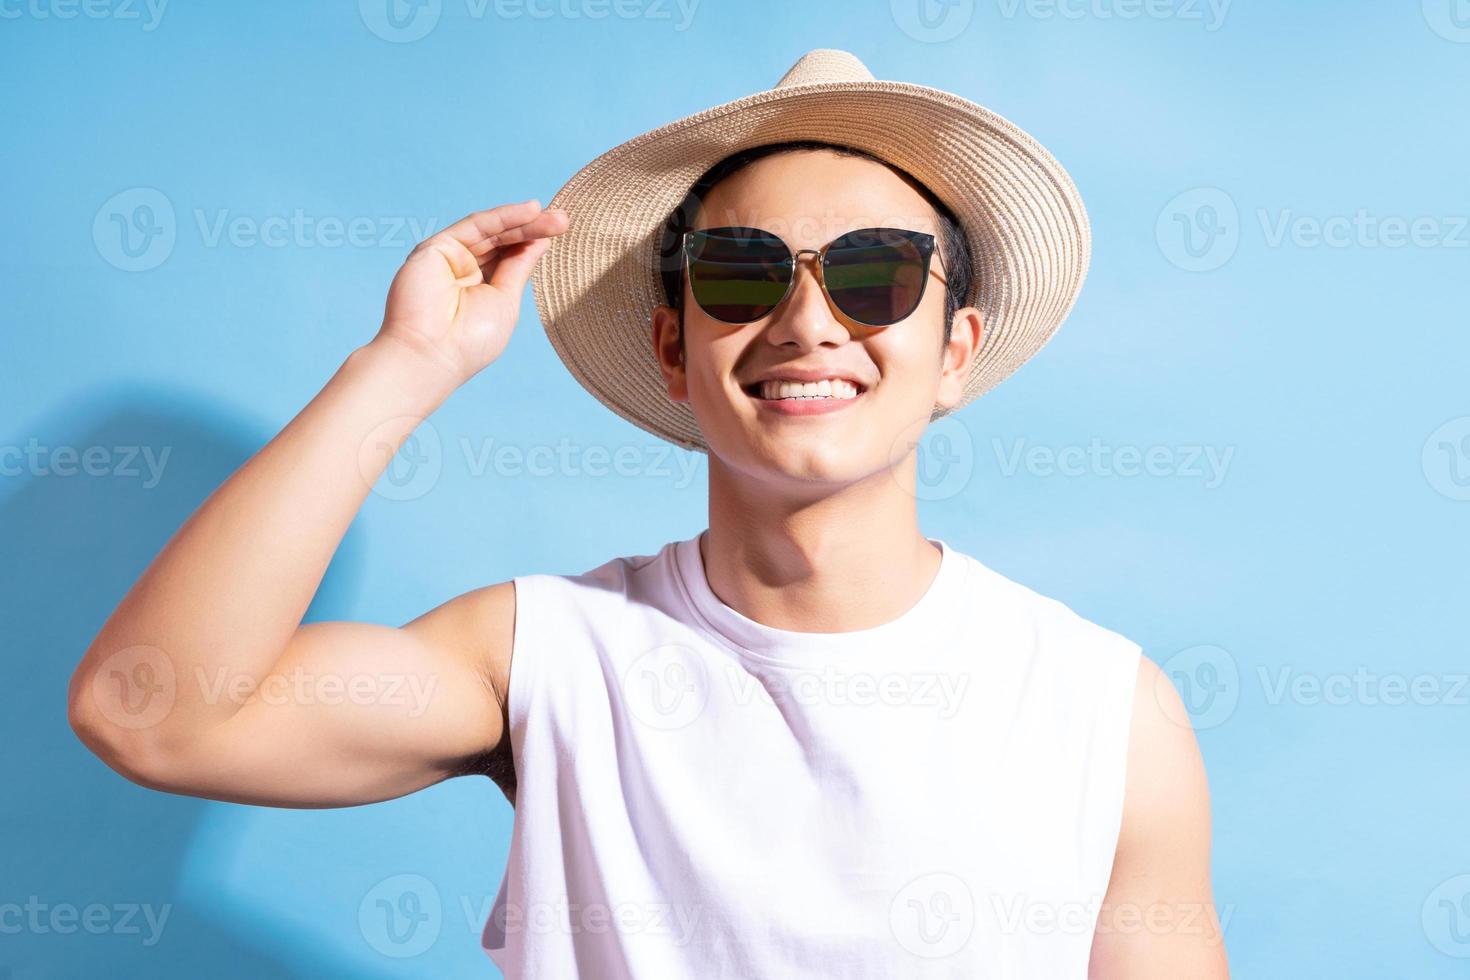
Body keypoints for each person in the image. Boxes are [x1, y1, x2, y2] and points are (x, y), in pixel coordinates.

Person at [68, 48, 1229, 978]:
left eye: (874, 273)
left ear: (956, 349)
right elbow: (148, 713)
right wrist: (405, 364)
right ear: (675, 347)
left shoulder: (1103, 707)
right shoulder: (544, 655)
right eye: (741, 273)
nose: (809, 321)